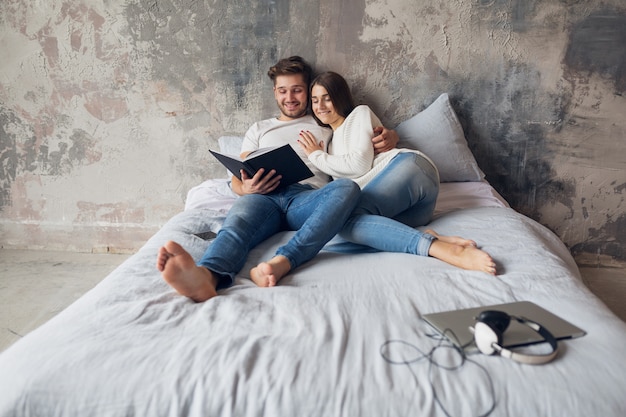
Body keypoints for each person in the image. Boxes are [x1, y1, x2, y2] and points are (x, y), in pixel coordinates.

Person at [156, 57, 400, 301]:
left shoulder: (324, 121)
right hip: (262, 197)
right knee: (235, 227)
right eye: (283, 91)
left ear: (307, 91)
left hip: (305, 197)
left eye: (297, 90)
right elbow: (237, 177)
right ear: (275, 92)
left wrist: (390, 136)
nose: (290, 98)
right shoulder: (259, 129)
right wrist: (246, 188)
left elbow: (362, 134)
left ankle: (285, 260)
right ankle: (206, 276)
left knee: (346, 188)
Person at [297, 71, 497, 275]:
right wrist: (322, 155)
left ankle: (444, 250)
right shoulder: (329, 144)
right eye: (314, 101)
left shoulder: (359, 114)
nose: (320, 106)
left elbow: (359, 165)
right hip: (411, 211)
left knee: (344, 222)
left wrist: (316, 156)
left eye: (327, 99)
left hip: (410, 169)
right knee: (340, 233)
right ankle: (427, 236)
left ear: (340, 98)